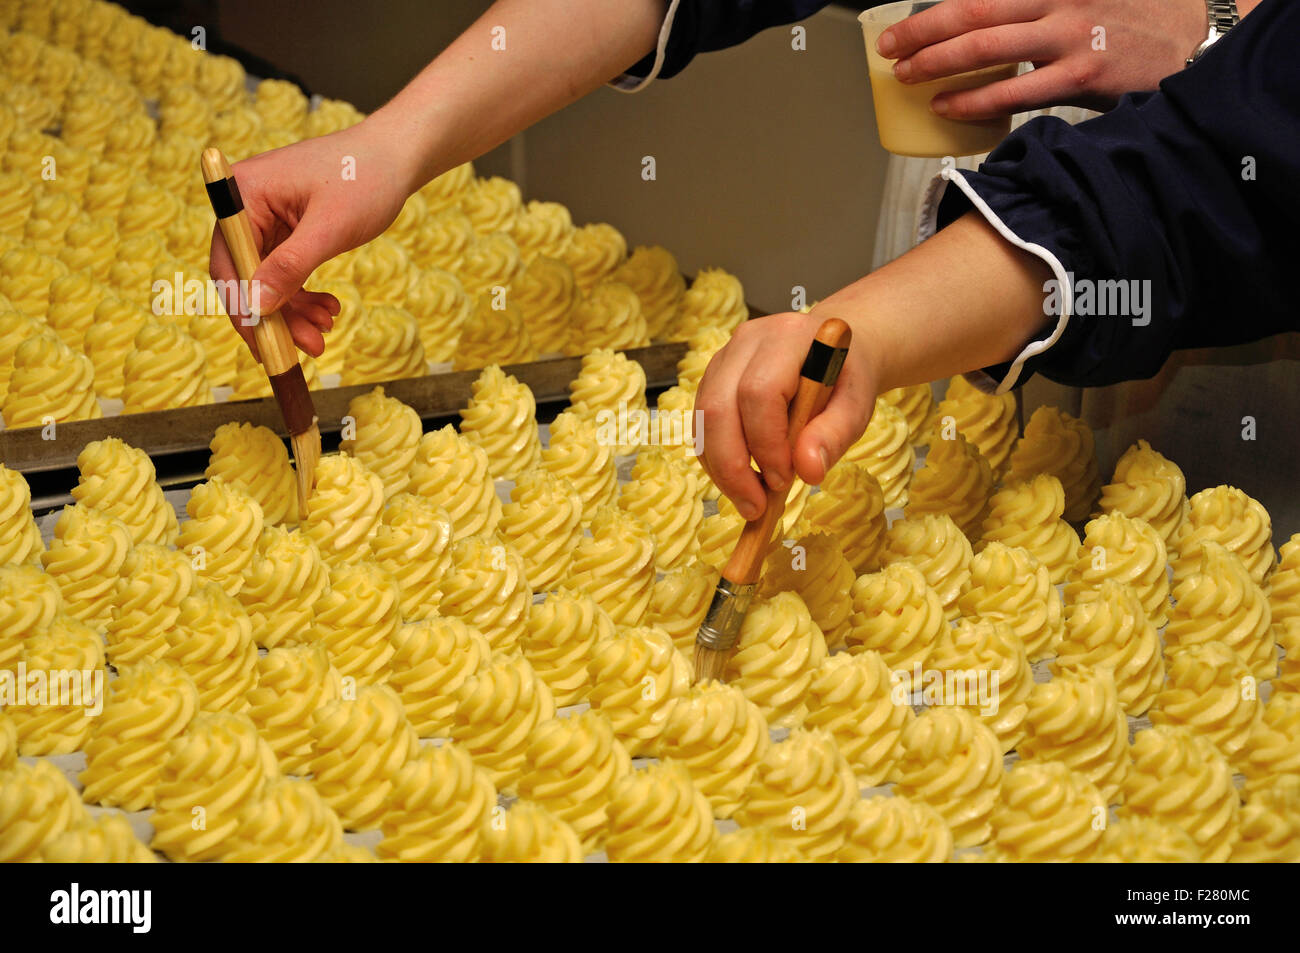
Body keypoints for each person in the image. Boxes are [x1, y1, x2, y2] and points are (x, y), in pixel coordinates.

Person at [211, 0, 1294, 521]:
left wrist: (1219, 28)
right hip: (958, 284)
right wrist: (393, 142)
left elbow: (1207, 163)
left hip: (1235, 369)